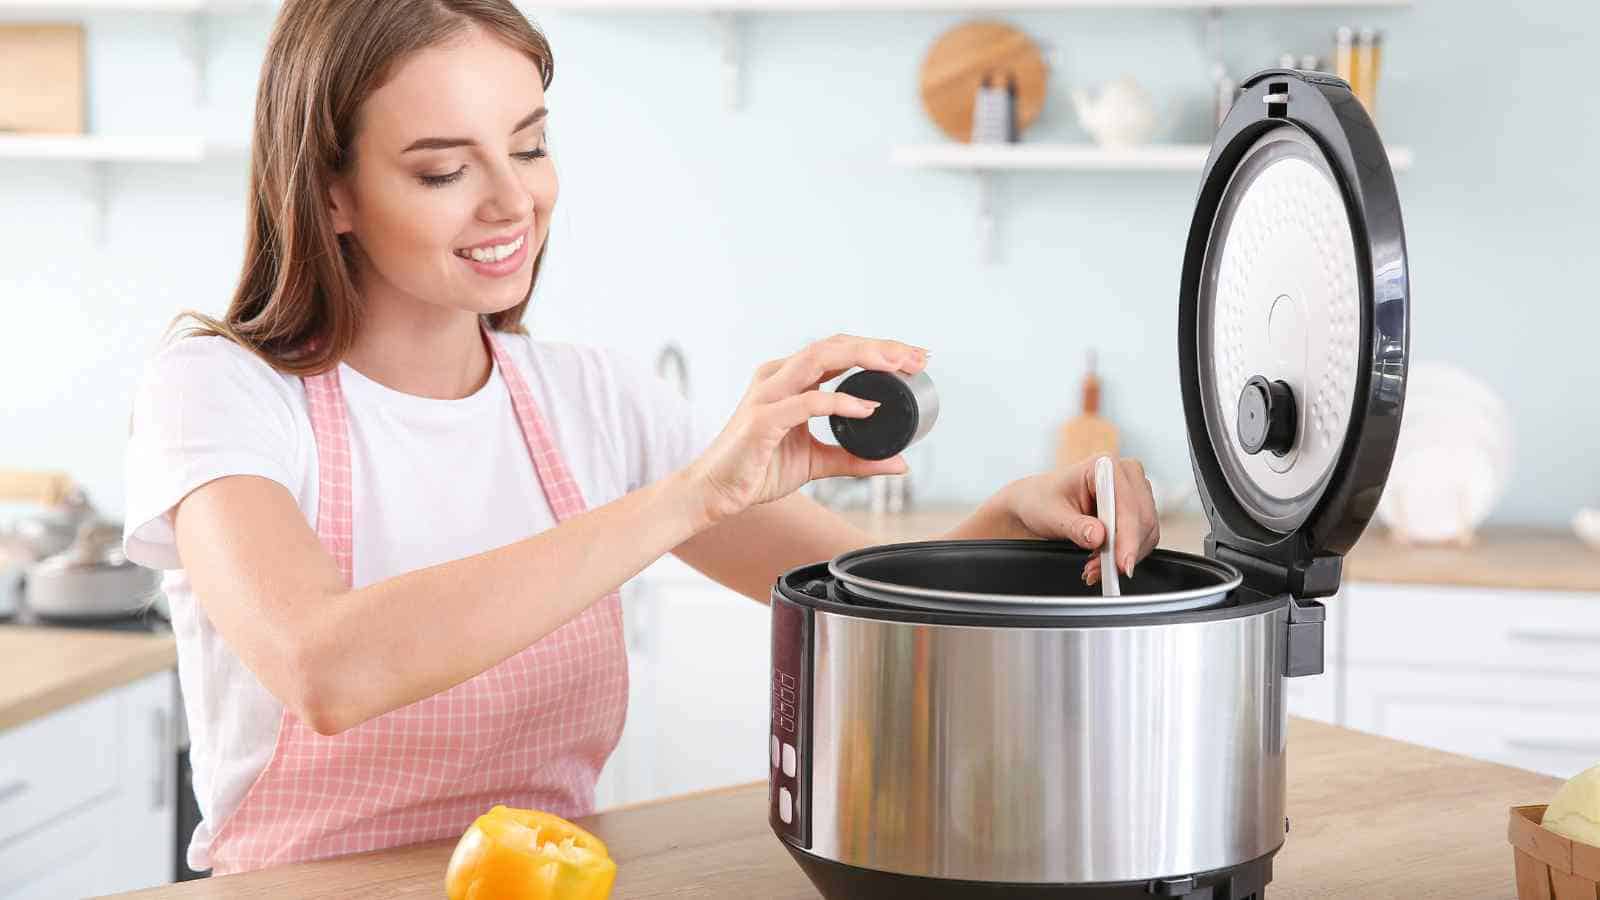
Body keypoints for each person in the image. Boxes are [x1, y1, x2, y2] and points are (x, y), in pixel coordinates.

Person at [122, 0, 1162, 877]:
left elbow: (861, 599)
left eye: (529, 144)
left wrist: (1013, 528)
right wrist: (685, 498)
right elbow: (324, 667)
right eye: (443, 171)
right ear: (332, 192)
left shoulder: (587, 397)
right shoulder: (219, 392)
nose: (513, 198)